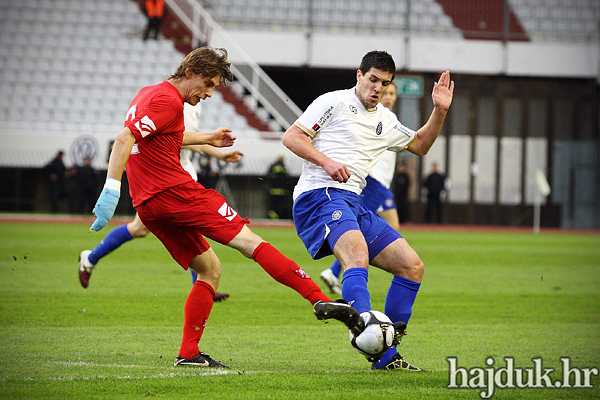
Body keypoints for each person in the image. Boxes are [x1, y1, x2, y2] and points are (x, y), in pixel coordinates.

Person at [87, 47, 336, 368]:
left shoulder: (149, 94)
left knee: (209, 270)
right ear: (189, 72)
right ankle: (319, 299)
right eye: (208, 84)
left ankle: (189, 353)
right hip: (176, 193)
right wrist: (110, 190)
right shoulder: (169, 100)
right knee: (250, 242)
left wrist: (209, 139)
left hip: (149, 204)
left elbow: (164, 137)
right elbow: (124, 139)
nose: (208, 93)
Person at [282, 50, 453, 370]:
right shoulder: (332, 101)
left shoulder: (385, 120)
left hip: (353, 201)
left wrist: (439, 111)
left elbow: (420, 145)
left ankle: (386, 354)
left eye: (385, 84)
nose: (378, 88)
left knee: (412, 266)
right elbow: (292, 137)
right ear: (359, 76)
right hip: (320, 194)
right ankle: (364, 329)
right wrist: (326, 162)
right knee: (356, 256)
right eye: (373, 80)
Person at [78, 102, 242, 303]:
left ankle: (203, 281)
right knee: (140, 228)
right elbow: (176, 139)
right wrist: (214, 146)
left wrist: (222, 154)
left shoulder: (193, 105)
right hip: (163, 178)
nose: (209, 92)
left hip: (181, 174)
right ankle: (90, 258)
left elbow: (194, 141)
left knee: (189, 225)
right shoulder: (173, 104)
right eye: (209, 83)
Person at [319, 81, 401, 295]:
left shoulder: (390, 121)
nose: (389, 96)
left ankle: (336, 270)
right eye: (386, 92)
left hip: (383, 184)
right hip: (373, 182)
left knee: (393, 229)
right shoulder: (371, 119)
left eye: (392, 93)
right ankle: (338, 270)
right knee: (359, 229)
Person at [266, 154, 291, 219]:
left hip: (277, 191)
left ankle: (275, 217)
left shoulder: (280, 166)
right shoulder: (282, 167)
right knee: (275, 206)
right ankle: (274, 217)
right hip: (277, 192)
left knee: (277, 206)